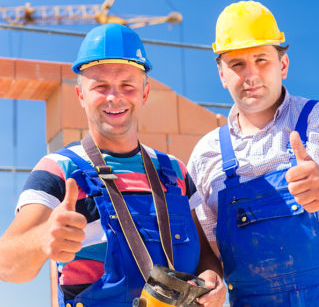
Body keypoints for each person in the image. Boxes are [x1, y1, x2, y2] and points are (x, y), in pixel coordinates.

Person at [0, 23, 226, 307]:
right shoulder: (59, 170)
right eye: (100, 86)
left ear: (144, 93)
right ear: (81, 95)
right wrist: (42, 238)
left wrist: (212, 276)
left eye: (127, 86)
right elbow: (6, 263)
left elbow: (205, 254)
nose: (114, 97)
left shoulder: (175, 172)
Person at [188, 0, 319, 306]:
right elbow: (207, 250)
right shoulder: (206, 155)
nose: (250, 75)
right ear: (222, 75)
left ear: (283, 64)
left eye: (261, 59)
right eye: (237, 64)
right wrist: (209, 276)